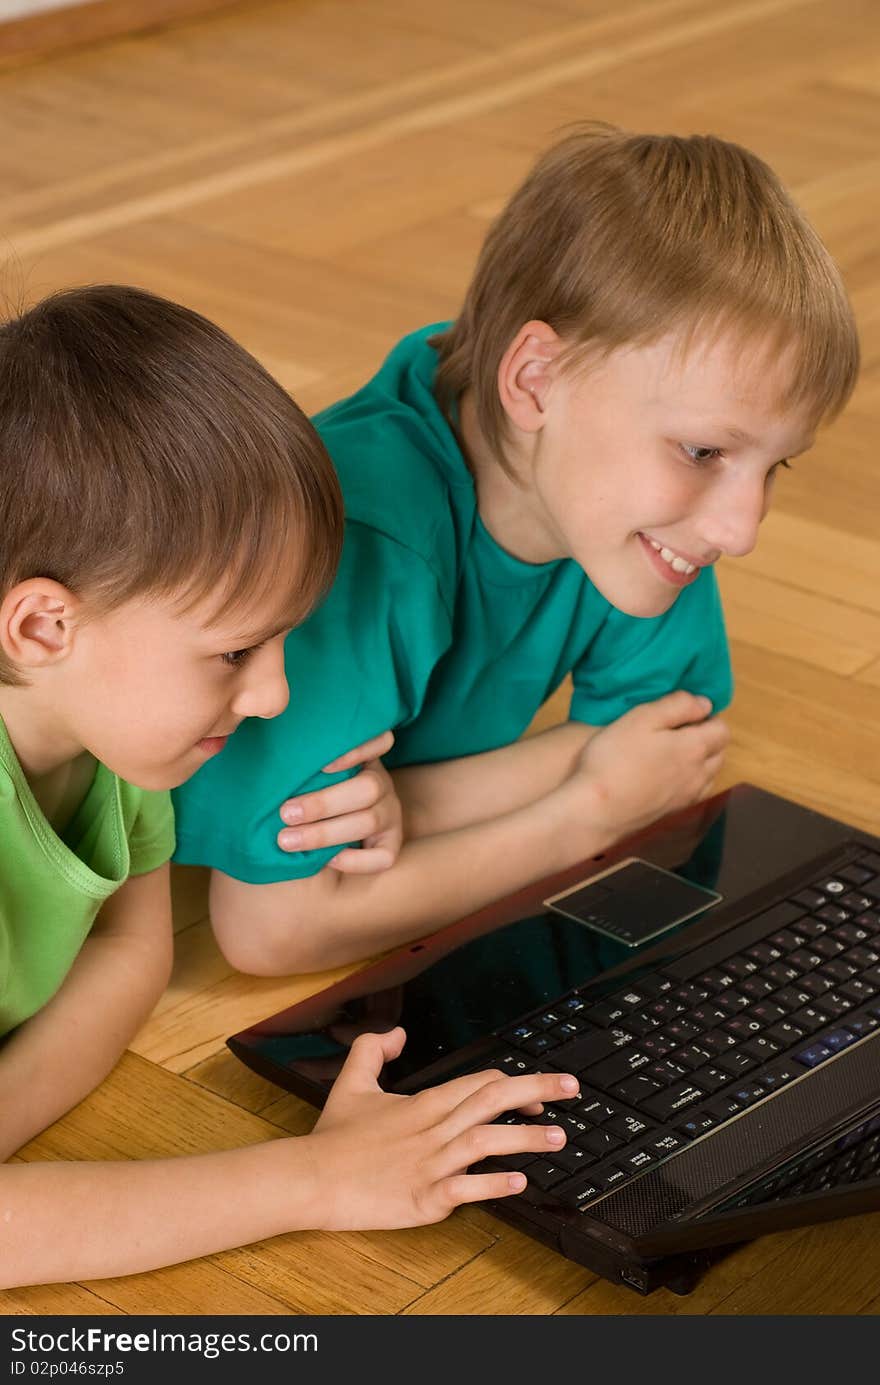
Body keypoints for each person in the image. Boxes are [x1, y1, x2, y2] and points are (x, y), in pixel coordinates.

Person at [172, 123, 860, 978]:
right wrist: (586, 813)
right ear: (535, 379)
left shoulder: (635, 517)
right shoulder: (364, 543)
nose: (741, 528)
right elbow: (271, 929)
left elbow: (670, 740)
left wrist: (415, 805)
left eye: (773, 465)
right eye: (704, 452)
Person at [0, 285, 580, 1290]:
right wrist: (314, 1175)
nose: (271, 693)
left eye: (280, 639)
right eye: (232, 651)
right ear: (45, 627)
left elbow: (133, 946)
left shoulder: (110, 738)